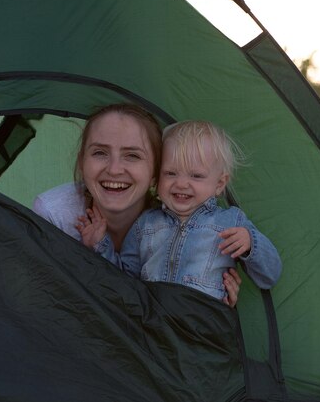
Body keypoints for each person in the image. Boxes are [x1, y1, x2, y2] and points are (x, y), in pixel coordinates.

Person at [33, 104, 242, 306]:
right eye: (99, 153)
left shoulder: (177, 221)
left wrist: (212, 294)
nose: (114, 169)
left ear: (155, 172)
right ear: (81, 162)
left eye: (132, 155)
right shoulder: (53, 214)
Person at [78, 120, 282, 301]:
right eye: (171, 173)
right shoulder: (146, 224)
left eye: (196, 176)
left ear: (220, 184)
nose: (182, 184)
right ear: (157, 177)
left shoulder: (230, 221)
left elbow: (269, 276)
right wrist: (100, 246)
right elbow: (124, 278)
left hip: (202, 323)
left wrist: (250, 244)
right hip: (152, 321)